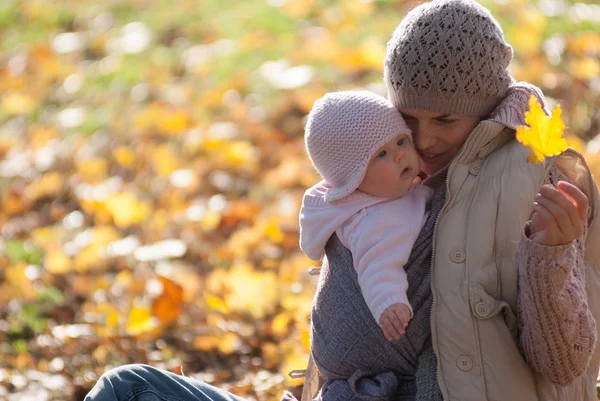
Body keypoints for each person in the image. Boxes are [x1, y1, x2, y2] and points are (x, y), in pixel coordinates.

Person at [85, 0, 600, 400]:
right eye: (408, 119)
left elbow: (563, 366)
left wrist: (551, 255)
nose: (421, 141)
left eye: (446, 120)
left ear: (487, 107)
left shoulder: (536, 179)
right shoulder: (385, 172)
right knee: (128, 388)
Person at [299, 90, 432, 342]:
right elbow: (376, 265)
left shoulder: (389, 192)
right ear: (353, 180)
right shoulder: (375, 220)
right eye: (381, 154)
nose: (399, 155)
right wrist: (389, 303)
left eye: (401, 141)